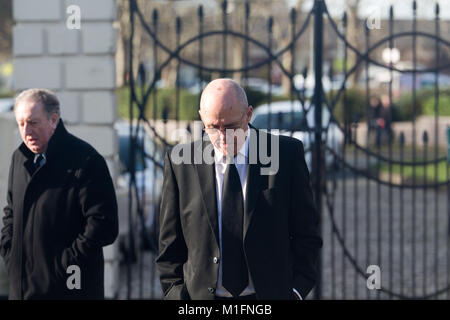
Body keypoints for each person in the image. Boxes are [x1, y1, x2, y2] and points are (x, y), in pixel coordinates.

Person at [156, 78, 322, 300]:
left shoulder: (286, 156)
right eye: (213, 127)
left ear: (249, 114)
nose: (223, 137)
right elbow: (169, 247)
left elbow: (307, 235)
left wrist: (295, 293)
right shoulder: (181, 163)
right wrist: (176, 295)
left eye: (231, 126)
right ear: (201, 118)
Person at [0, 89, 118, 299]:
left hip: (68, 290)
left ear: (53, 120)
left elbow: (103, 225)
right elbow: (10, 212)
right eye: (21, 124)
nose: (26, 131)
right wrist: (11, 255)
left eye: (33, 122)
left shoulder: (87, 160)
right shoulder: (19, 158)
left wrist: (62, 267)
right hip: (22, 290)